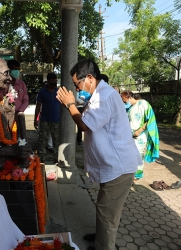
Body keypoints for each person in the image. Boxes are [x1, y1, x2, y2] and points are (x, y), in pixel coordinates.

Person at [56, 59, 142, 250]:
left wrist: (70, 104)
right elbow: (87, 117)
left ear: (89, 78)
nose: (77, 89)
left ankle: (104, 245)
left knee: (107, 212)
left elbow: (85, 125)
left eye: (77, 84)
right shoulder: (98, 95)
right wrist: (71, 105)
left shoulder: (106, 96)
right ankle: (101, 236)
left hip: (118, 166)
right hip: (112, 164)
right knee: (106, 208)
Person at [121, 90, 159, 180]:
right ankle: (130, 172)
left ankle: (137, 175)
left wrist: (140, 130)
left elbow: (150, 119)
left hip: (140, 136)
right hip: (131, 136)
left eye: (124, 101)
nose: (124, 103)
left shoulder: (143, 103)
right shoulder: (130, 108)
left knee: (138, 155)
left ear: (129, 97)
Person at [34, 73, 60, 163]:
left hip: (56, 121)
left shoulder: (59, 92)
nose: (54, 83)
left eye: (55, 81)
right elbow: (38, 106)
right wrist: (35, 120)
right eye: (52, 81)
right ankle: (41, 160)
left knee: (56, 141)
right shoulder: (42, 92)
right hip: (44, 120)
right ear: (48, 81)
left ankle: (56, 159)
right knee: (42, 141)